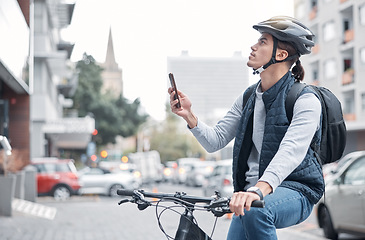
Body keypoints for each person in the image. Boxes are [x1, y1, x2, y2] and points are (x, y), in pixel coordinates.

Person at [168, 16, 325, 239]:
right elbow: (216, 140)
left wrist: (258, 189)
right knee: (251, 211)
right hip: (250, 197)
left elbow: (291, 152)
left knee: (256, 211)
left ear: (280, 55)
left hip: (296, 190)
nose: (253, 46)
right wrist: (189, 116)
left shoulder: (305, 100)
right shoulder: (249, 97)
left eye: (262, 42)